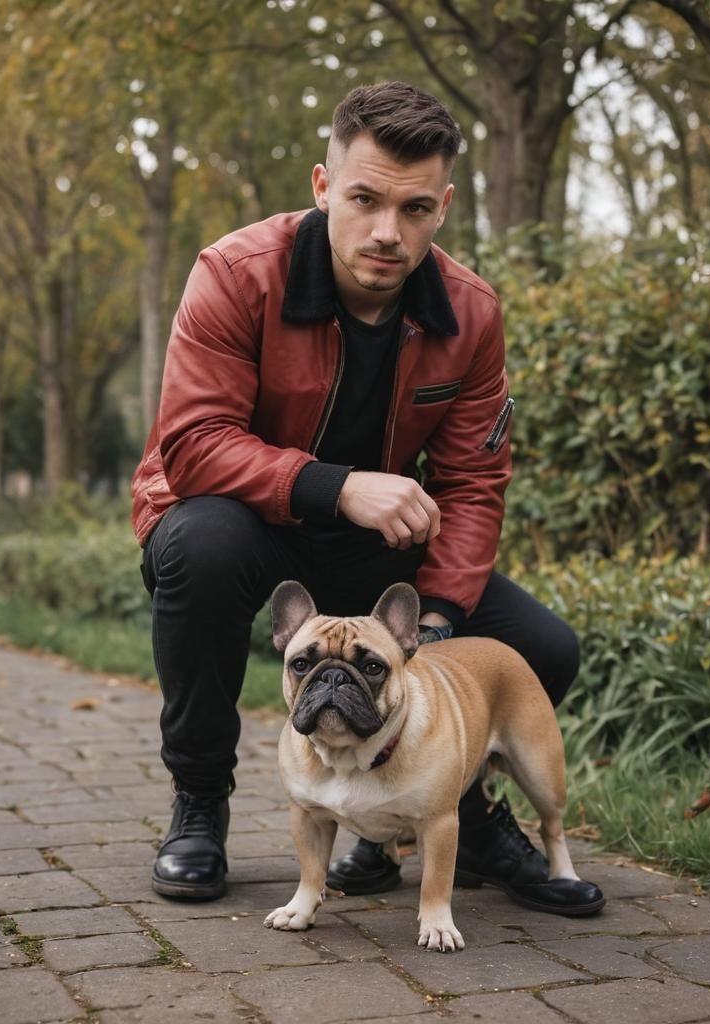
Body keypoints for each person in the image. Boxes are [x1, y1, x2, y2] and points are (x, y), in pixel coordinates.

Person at [132, 81, 599, 913]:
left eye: (416, 208)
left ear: (445, 206)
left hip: (381, 554)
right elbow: (192, 442)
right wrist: (337, 486)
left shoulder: (471, 312)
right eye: (365, 199)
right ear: (322, 187)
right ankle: (199, 802)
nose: (388, 231)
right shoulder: (236, 275)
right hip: (247, 526)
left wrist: (445, 624)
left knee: (543, 650)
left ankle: (445, 805)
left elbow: (474, 480)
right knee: (197, 548)